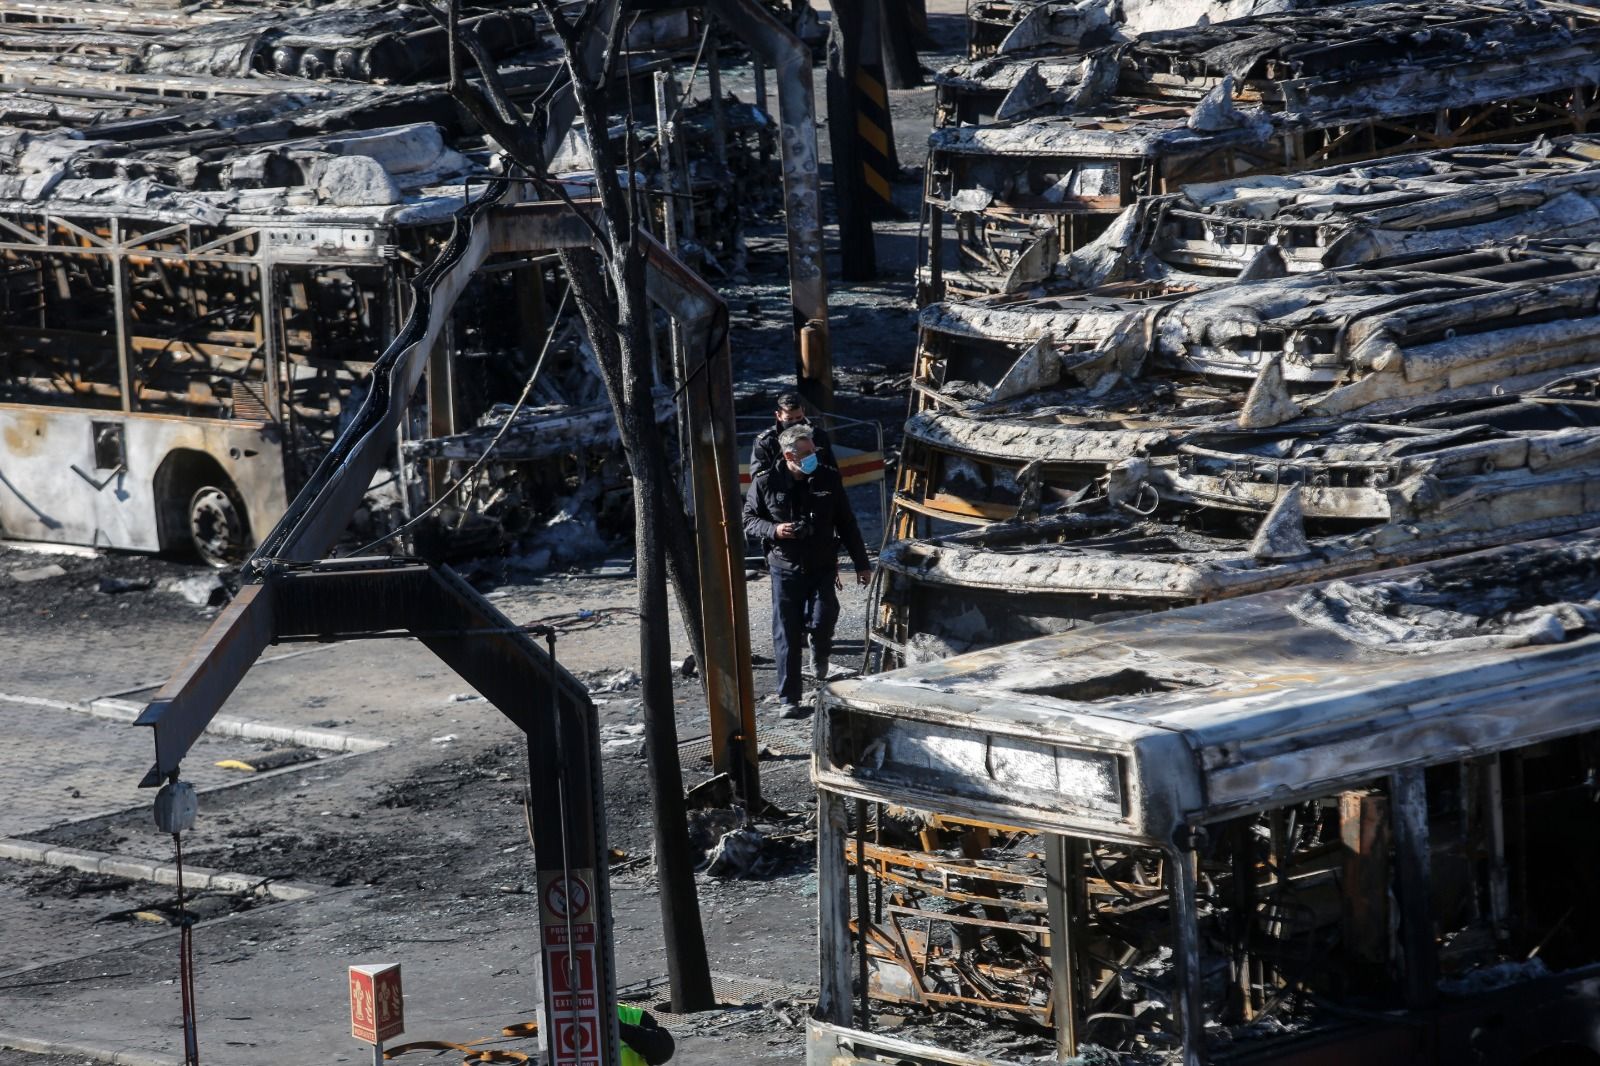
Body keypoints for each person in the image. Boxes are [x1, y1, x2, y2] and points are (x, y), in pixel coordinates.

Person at [743, 424, 871, 717]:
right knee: (785, 634)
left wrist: (862, 564)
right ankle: (789, 699)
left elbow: (847, 523)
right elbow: (748, 520)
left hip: (823, 564)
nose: (815, 455)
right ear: (790, 455)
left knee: (824, 617)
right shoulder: (765, 482)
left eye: (814, 449)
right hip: (784, 567)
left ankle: (820, 649)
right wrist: (775, 529)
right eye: (808, 452)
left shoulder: (827, 477)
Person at [749, 391, 832, 479]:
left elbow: (831, 467)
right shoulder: (766, 441)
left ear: (803, 411)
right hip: (781, 488)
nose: (795, 422)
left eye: (799, 418)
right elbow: (759, 477)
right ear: (778, 416)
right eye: (789, 419)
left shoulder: (818, 435)